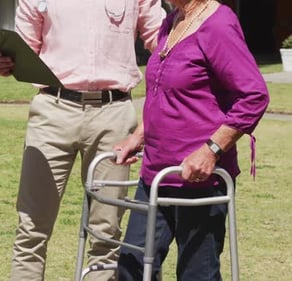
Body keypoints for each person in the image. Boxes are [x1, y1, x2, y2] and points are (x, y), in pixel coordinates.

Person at [0, 1, 165, 280]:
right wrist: (4, 63)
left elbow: (163, 40)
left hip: (114, 114)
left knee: (106, 232)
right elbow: (23, 52)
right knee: (31, 228)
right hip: (52, 111)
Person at [112, 0, 270, 280]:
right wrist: (137, 137)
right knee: (132, 266)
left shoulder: (219, 24)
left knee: (196, 274)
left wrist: (211, 150)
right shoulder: (170, 22)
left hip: (200, 179)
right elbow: (162, 93)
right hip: (155, 175)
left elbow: (254, 95)